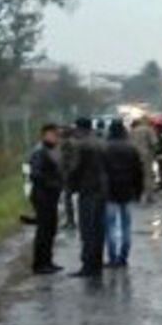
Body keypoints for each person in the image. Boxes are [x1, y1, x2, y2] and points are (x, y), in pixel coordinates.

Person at [68, 117, 108, 278]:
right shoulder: (101, 143)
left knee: (87, 229)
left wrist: (70, 186)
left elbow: (75, 168)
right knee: (98, 229)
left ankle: (87, 266)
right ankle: (97, 263)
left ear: (79, 128)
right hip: (102, 190)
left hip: (87, 190)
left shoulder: (80, 145)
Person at [104, 120, 144, 267]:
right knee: (126, 226)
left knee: (111, 226)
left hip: (110, 192)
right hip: (127, 191)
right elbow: (138, 172)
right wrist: (138, 192)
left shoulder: (105, 148)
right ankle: (124, 256)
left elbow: (101, 171)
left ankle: (112, 257)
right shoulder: (131, 149)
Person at [28, 123, 64, 274]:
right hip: (43, 196)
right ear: (44, 135)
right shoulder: (39, 152)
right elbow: (35, 174)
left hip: (49, 195)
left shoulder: (49, 151)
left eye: (56, 135)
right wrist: (53, 183)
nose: (56, 137)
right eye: (53, 134)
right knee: (44, 230)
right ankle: (40, 264)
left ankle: (48, 261)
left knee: (50, 229)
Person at [129, 117, 157, 203]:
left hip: (134, 155)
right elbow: (154, 143)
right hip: (146, 155)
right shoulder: (149, 130)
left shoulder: (133, 130)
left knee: (135, 175)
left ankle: (134, 195)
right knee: (147, 176)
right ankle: (149, 197)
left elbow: (130, 143)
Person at [59, 125, 78, 230]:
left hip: (68, 174)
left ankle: (70, 221)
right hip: (70, 173)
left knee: (67, 198)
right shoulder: (72, 142)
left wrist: (67, 172)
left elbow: (68, 160)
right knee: (67, 198)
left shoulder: (68, 144)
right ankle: (70, 221)